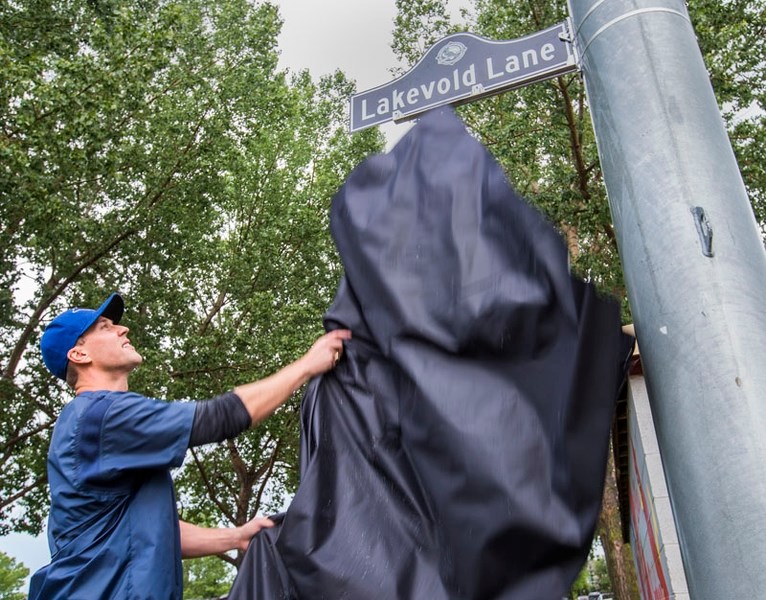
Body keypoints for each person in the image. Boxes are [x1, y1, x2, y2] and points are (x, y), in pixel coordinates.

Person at [28, 292, 351, 600]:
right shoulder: (101, 415)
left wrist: (235, 537)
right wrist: (308, 364)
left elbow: (152, 534)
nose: (123, 329)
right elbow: (220, 417)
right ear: (79, 354)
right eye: (106, 327)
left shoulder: (92, 423)